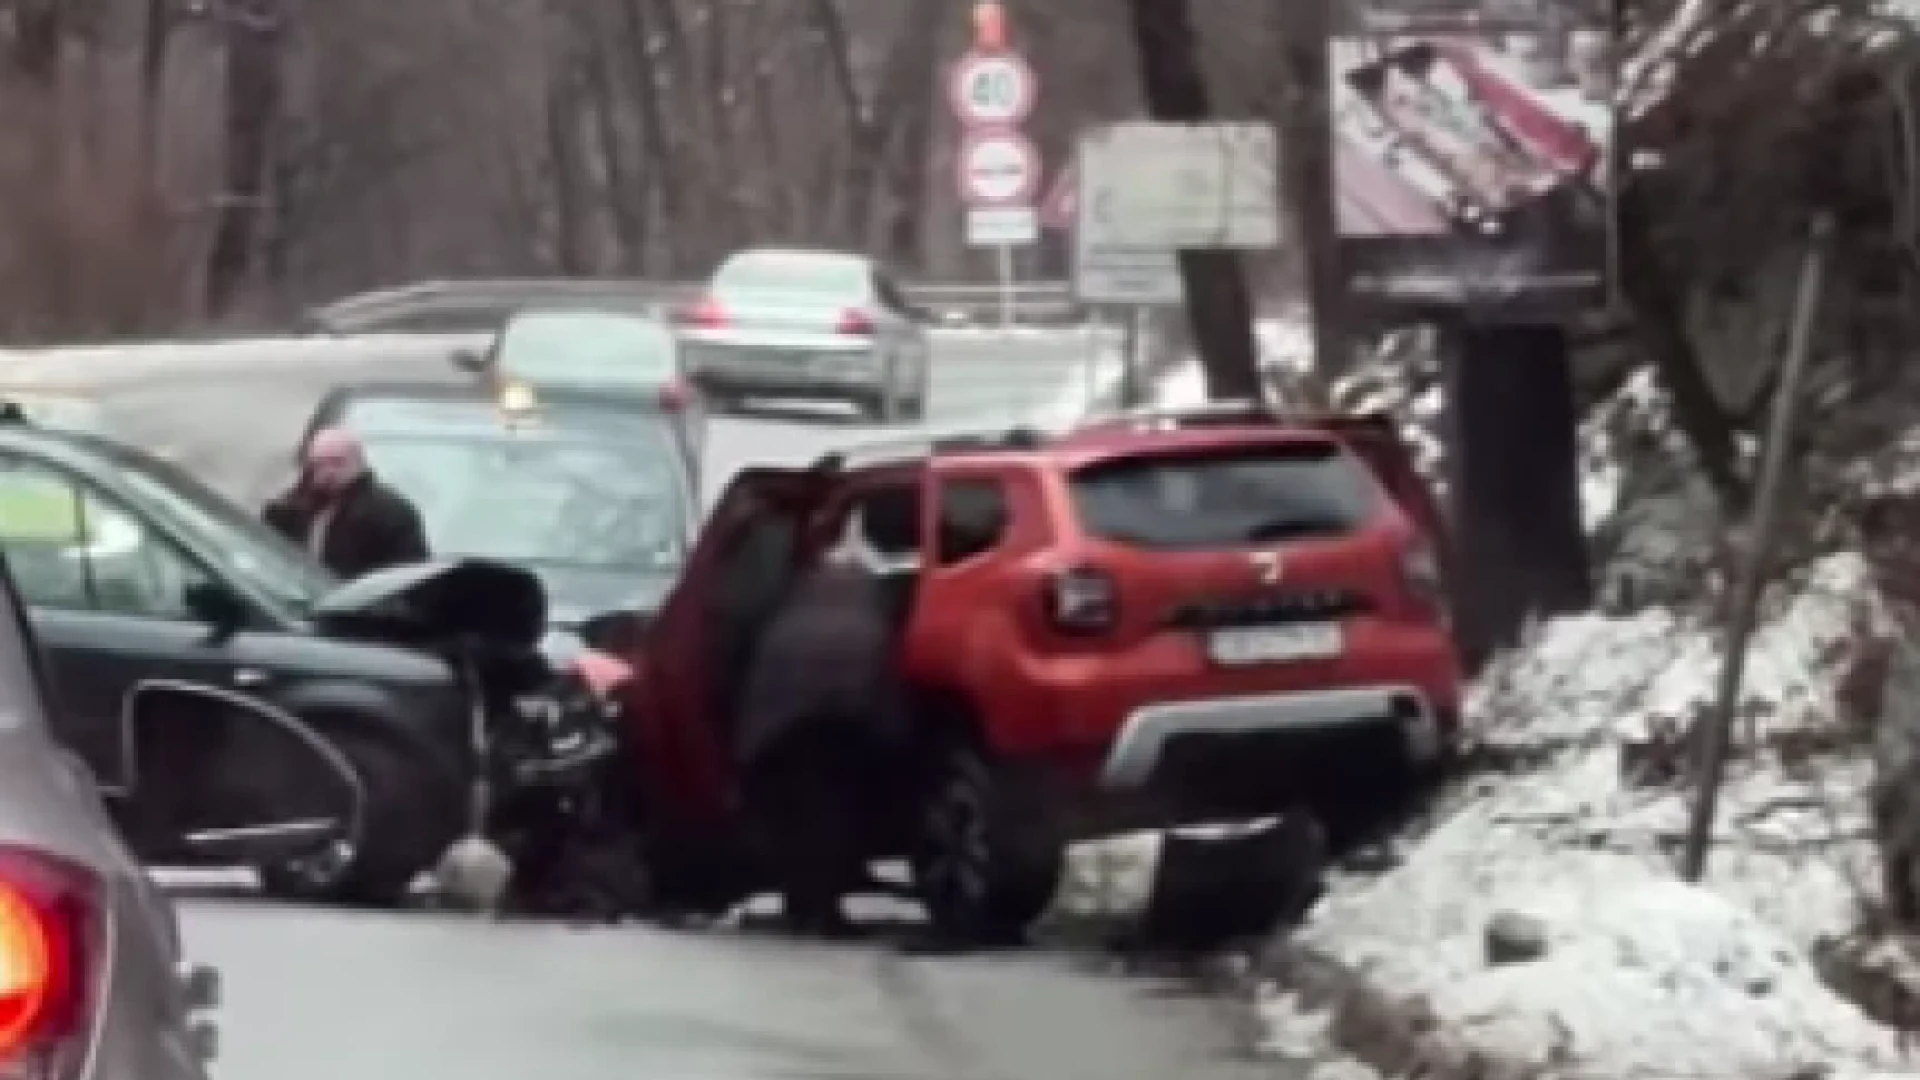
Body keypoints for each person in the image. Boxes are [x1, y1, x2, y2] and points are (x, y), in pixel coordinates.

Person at [733, 517, 904, 940]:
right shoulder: (876, 586)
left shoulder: (796, 589)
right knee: (833, 810)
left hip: (786, 715)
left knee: (802, 812)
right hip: (846, 707)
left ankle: (807, 904)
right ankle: (822, 908)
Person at [264, 427, 430, 579]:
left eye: (337, 462)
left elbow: (407, 576)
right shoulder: (295, 505)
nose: (328, 472)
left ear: (359, 463)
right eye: (319, 464)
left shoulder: (390, 513)